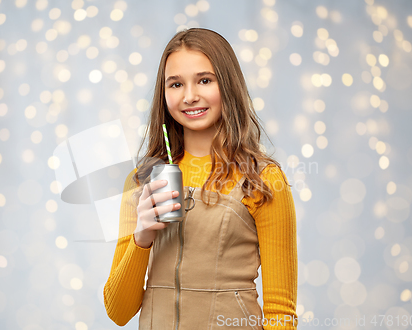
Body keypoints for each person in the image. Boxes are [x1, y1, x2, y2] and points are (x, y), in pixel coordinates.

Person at [103, 28, 298, 330]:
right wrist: (142, 238)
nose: (190, 96)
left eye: (204, 80)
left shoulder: (262, 179)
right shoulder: (142, 180)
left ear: (228, 85)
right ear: (163, 93)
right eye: (176, 84)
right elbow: (118, 311)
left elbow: (280, 313)